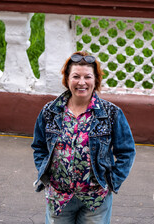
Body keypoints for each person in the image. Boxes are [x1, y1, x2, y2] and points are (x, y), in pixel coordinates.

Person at [31, 51, 136, 224]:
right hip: (59, 197)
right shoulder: (50, 111)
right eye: (76, 76)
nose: (81, 82)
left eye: (87, 77)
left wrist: (111, 183)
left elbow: (126, 152)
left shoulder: (111, 113)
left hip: (96, 198)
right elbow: (39, 146)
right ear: (67, 79)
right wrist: (47, 178)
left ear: (96, 80)